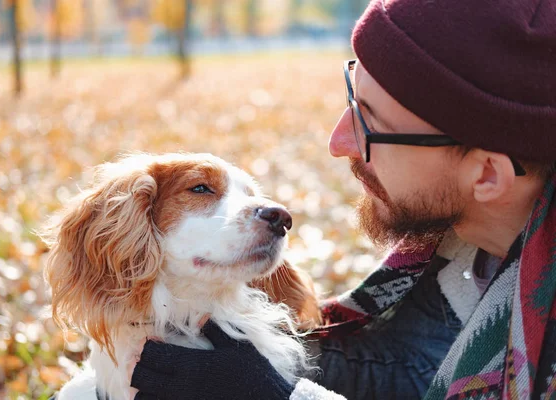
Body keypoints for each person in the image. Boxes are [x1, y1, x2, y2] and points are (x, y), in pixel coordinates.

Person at [130, 0, 556, 398]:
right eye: (353, 93)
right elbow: (400, 371)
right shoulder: (456, 260)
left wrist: (279, 393)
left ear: (486, 174)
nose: (338, 142)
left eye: (371, 126)